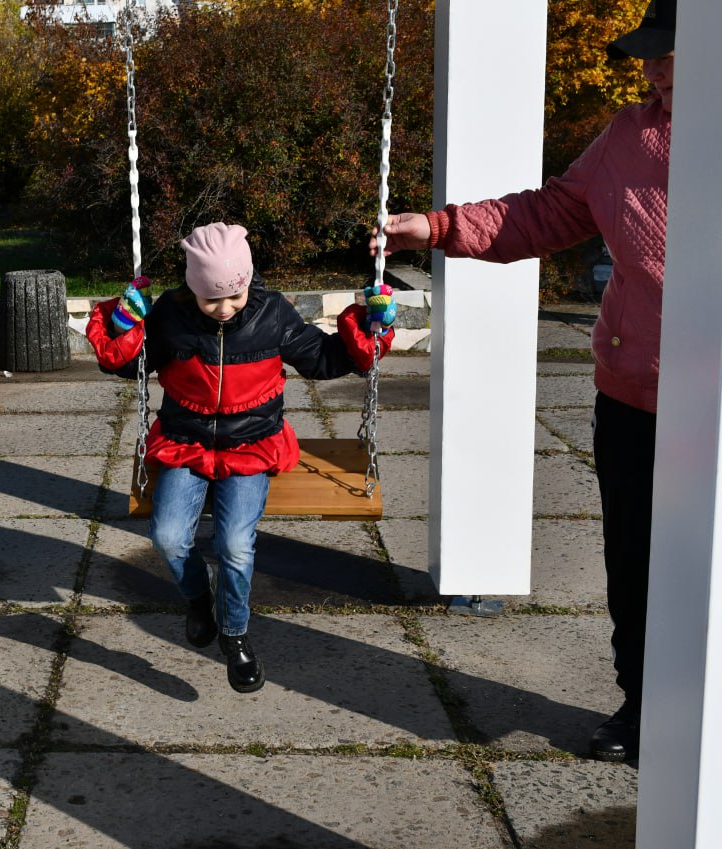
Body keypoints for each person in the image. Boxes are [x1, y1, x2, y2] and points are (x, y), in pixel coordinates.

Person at [370, 1, 675, 761]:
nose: (649, 68)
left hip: (713, 406)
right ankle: (640, 711)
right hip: (633, 396)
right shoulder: (628, 136)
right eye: (648, 53)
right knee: (634, 565)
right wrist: (438, 228)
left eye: (668, 55)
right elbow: (548, 214)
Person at [88, 222, 394, 693]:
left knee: (234, 545)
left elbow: (323, 359)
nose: (227, 308)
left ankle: (235, 636)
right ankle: (196, 598)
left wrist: (371, 327)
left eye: (236, 295)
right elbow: (129, 364)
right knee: (167, 536)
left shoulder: (271, 314)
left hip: (252, 444)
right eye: (213, 300)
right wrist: (125, 323)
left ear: (249, 280)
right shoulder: (171, 313)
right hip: (186, 441)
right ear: (192, 287)